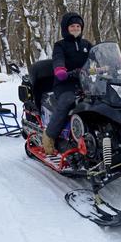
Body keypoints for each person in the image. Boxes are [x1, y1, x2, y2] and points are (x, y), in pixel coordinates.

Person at [42, 12, 93, 155]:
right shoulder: (60, 45)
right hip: (65, 83)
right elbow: (58, 59)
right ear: (66, 28)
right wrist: (60, 69)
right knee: (67, 100)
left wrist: (110, 65)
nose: (76, 28)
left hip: (86, 83)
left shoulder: (87, 45)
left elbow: (96, 57)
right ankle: (49, 137)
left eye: (78, 26)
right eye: (72, 26)